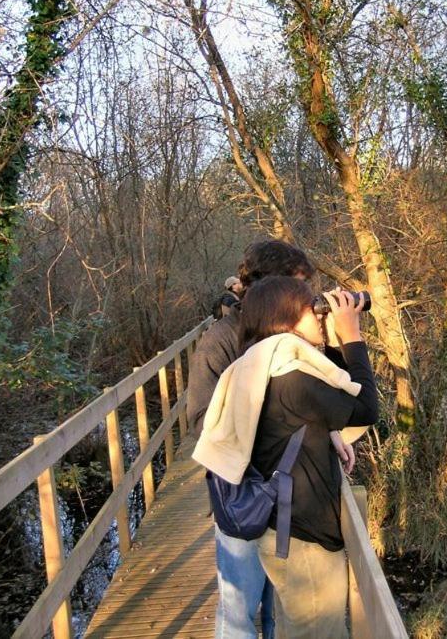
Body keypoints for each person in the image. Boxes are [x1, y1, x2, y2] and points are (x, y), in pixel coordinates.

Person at [196, 277, 378, 639]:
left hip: (285, 532)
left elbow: (312, 408)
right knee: (316, 632)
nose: (319, 312)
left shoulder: (264, 364)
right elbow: (365, 409)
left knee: (296, 627)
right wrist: (352, 337)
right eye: (311, 307)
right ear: (288, 319)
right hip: (303, 540)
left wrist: (328, 430)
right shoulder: (291, 374)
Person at [186, 240, 314, 639]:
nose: (306, 297)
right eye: (297, 286)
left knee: (280, 610)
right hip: (242, 496)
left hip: (290, 496)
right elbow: (201, 421)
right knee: (239, 612)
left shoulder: (296, 337)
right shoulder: (220, 340)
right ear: (269, 286)